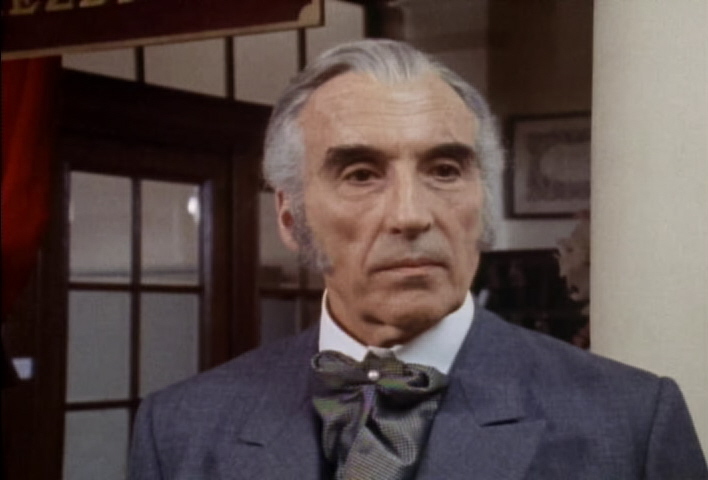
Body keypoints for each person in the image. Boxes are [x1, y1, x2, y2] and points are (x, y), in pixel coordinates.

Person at [129, 39, 707, 479]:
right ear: (290, 217)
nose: (411, 215)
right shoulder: (179, 429)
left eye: (445, 170)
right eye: (361, 174)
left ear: (483, 203)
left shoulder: (631, 423)